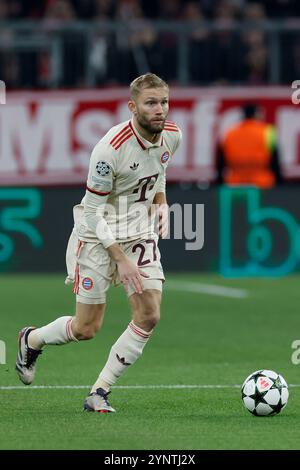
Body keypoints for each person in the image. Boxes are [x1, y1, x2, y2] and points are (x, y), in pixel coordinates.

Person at [16, 73, 182, 413]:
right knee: (87, 327)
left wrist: (160, 201)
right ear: (132, 107)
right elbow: (92, 213)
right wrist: (119, 257)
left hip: (139, 232)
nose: (160, 110)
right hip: (96, 236)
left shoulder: (172, 136)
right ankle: (31, 339)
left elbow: (159, 169)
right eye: (151, 103)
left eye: (164, 102)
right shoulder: (110, 149)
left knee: (149, 315)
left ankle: (99, 392)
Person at [216, 103, 282, 188]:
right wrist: (279, 183)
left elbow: (220, 162)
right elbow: (275, 161)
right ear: (256, 114)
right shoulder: (267, 132)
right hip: (263, 184)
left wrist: (220, 183)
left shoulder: (229, 133)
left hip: (234, 184)